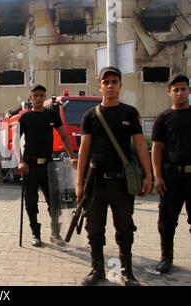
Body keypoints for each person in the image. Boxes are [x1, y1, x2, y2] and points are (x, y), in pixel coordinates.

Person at [76, 67, 152, 286]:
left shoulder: (129, 113)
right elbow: (84, 150)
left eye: (114, 81)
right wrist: (79, 183)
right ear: (99, 86)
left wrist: (148, 177)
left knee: (125, 229)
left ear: (120, 85)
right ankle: (97, 269)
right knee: (95, 229)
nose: (110, 85)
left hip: (122, 183)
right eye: (106, 82)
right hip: (96, 182)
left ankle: (127, 271)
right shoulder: (90, 116)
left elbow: (139, 145)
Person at [17, 84, 77, 248]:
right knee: (31, 203)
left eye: (41, 96)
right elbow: (16, 141)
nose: (38, 98)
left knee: (54, 202)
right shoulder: (25, 118)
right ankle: (36, 234)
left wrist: (72, 157)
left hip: (48, 166)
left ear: (45, 98)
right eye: (35, 95)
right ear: (30, 98)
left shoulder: (52, 115)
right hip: (30, 166)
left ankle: (55, 233)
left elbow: (64, 136)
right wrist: (20, 161)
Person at [151, 73, 191, 274]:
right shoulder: (163, 118)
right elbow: (157, 149)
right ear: (169, 92)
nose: (180, 92)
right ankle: (166, 258)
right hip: (170, 177)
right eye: (176, 89)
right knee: (166, 222)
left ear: (189, 91)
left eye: (183, 88)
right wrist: (157, 177)